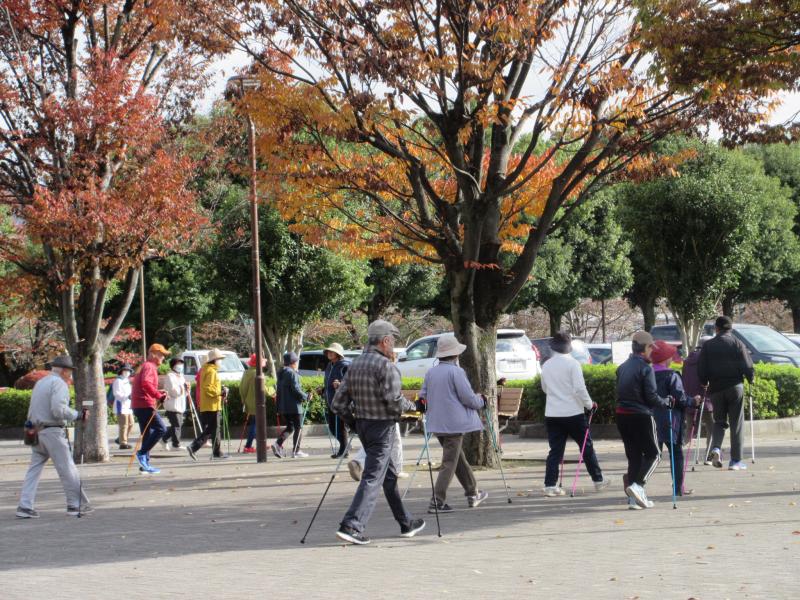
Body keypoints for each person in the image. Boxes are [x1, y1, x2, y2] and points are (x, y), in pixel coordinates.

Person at [331, 319, 425, 545]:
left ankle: (406, 522)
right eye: (392, 341)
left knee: (389, 476)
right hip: (383, 428)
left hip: (363, 426)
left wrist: (354, 423)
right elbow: (394, 402)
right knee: (373, 477)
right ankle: (352, 525)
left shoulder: (354, 365)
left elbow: (338, 404)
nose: (393, 345)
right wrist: (417, 407)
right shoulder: (386, 366)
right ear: (384, 341)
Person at [417, 333, 488, 512]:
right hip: (454, 424)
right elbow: (468, 398)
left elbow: (422, 397)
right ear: (455, 354)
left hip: (437, 423)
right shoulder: (456, 371)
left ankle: (473, 492)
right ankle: (437, 500)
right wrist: (482, 401)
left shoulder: (431, 372)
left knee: (457, 459)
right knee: (450, 461)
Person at [17, 355, 91, 518]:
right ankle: (75, 504)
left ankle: (24, 505)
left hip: (35, 430)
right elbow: (58, 410)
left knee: (34, 469)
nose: (71, 374)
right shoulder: (59, 384)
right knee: (66, 467)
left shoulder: (41, 382)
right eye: (70, 371)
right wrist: (78, 415)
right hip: (52, 430)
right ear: (64, 371)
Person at [540, 331, 610, 497]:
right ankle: (598, 480)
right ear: (568, 347)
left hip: (552, 413)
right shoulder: (573, 364)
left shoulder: (546, 365)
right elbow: (579, 388)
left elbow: (545, 389)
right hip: (573, 413)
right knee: (586, 447)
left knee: (555, 450)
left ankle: (550, 485)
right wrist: (589, 404)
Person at [616, 331, 671, 509]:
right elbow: (651, 397)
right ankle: (638, 486)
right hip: (641, 415)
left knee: (634, 457)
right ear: (646, 348)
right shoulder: (646, 368)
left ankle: (634, 500)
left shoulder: (622, 367)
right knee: (654, 455)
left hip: (622, 415)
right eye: (650, 348)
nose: (651, 352)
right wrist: (666, 402)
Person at [698, 316, 755, 470]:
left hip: (716, 389)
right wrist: (751, 379)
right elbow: (747, 365)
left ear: (716, 328)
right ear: (730, 328)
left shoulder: (708, 345)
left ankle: (716, 448)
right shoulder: (738, 343)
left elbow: (702, 368)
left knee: (719, 422)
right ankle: (735, 461)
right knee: (736, 423)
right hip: (735, 387)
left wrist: (704, 382)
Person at [651, 340, 701, 496]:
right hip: (670, 420)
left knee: (650, 455)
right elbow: (681, 398)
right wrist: (694, 401)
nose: (673, 358)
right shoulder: (671, 375)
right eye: (671, 356)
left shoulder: (646, 373)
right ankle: (678, 488)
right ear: (666, 359)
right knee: (676, 454)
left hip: (650, 420)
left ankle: (636, 485)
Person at [131, 344, 170, 474]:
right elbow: (146, 383)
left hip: (139, 405)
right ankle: (141, 454)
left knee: (147, 434)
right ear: (153, 354)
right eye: (161, 354)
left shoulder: (145, 366)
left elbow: (144, 385)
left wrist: (158, 391)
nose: (163, 357)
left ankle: (145, 464)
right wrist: (159, 395)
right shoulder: (149, 366)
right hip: (144, 405)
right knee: (161, 429)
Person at [187, 348, 228, 460]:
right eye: (219, 359)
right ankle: (194, 447)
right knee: (212, 429)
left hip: (208, 404)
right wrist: (220, 392)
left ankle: (216, 452)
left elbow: (208, 387)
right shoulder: (211, 371)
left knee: (213, 429)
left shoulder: (206, 369)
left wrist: (220, 390)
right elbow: (208, 388)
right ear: (214, 360)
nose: (220, 361)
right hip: (212, 405)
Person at [272, 352, 309, 458]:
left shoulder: (281, 373)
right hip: (294, 406)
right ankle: (296, 451)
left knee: (290, 427)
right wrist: (306, 396)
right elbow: (296, 389)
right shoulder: (292, 373)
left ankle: (277, 444)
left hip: (283, 406)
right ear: (293, 362)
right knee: (298, 427)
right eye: (297, 361)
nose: (297, 363)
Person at [682, 347, 714, 465]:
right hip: (705, 399)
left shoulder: (686, 361)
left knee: (689, 430)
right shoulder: (707, 361)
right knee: (712, 428)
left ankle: (677, 452)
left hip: (690, 400)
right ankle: (709, 457)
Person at [323, 343, 350, 458]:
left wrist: (341, 384)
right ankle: (345, 447)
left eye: (332, 351)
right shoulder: (329, 365)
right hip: (330, 401)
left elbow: (351, 382)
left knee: (340, 426)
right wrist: (323, 389)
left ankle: (344, 451)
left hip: (342, 402)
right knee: (332, 427)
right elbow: (328, 382)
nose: (329, 353)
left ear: (338, 354)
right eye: (328, 351)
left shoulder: (345, 365)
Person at [240, 353, 267, 453]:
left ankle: (260, 443)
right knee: (255, 424)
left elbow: (241, 388)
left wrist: (244, 400)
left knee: (254, 423)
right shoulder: (258, 374)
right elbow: (264, 389)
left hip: (248, 402)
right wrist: (273, 392)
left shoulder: (246, 373)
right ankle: (248, 446)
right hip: (258, 403)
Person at [161, 357, 188, 451]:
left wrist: (187, 388)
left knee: (177, 424)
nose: (180, 366)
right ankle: (176, 444)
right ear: (173, 365)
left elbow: (185, 391)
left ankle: (164, 438)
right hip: (172, 405)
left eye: (181, 364)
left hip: (180, 404)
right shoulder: (170, 376)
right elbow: (173, 391)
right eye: (178, 364)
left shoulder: (181, 375)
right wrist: (182, 388)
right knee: (177, 424)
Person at [112, 363, 134, 450]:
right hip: (120, 405)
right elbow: (116, 394)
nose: (127, 372)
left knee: (131, 424)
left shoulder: (127, 381)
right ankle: (123, 443)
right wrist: (126, 396)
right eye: (125, 370)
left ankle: (120, 439)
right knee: (124, 425)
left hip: (128, 405)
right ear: (121, 371)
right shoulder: (118, 381)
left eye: (128, 370)